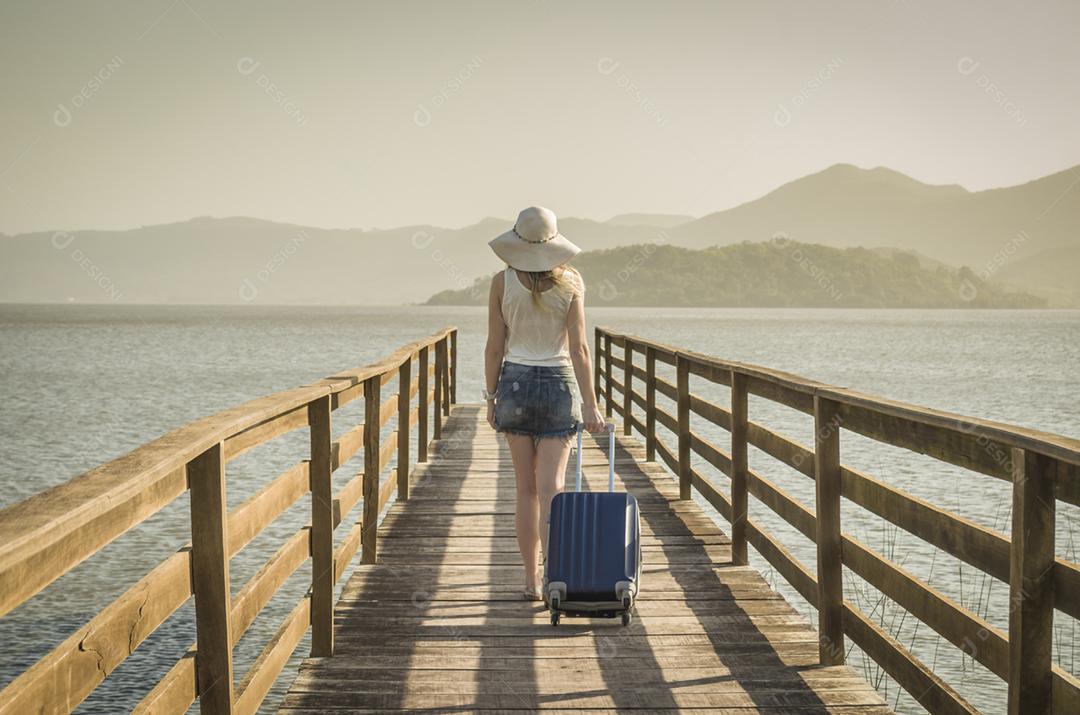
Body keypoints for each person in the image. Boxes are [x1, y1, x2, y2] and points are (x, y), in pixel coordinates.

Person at [483, 206, 605, 600]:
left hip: (515, 384)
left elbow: (494, 347)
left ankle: (530, 580)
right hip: (559, 385)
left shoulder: (501, 282)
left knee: (525, 490)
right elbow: (580, 348)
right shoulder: (572, 282)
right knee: (553, 488)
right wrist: (591, 404)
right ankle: (555, 572)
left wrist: (491, 398)